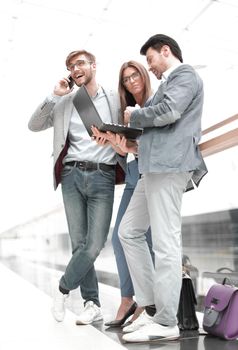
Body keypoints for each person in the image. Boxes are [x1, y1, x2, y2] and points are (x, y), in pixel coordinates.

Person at [116, 34, 208, 342]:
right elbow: (157, 129)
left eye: (151, 59)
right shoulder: (170, 82)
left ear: (165, 51)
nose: (150, 68)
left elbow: (169, 113)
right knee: (128, 231)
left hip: (170, 167)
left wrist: (134, 115)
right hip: (152, 168)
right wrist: (125, 139)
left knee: (166, 243)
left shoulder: (185, 75)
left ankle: (167, 321)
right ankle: (152, 306)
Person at [28, 49, 126, 324]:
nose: (75, 68)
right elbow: (33, 125)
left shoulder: (114, 98)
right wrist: (53, 95)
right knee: (78, 243)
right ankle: (91, 303)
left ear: (94, 65)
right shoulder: (65, 101)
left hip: (103, 175)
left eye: (80, 63)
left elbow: (130, 128)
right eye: (71, 66)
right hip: (71, 174)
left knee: (94, 244)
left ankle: (62, 289)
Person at [93, 61, 154, 328]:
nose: (131, 82)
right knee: (119, 239)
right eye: (126, 79)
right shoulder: (125, 112)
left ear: (143, 75)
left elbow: (154, 144)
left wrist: (130, 147)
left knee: (144, 240)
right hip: (132, 176)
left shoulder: (154, 103)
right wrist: (116, 145)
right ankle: (128, 297)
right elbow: (128, 150)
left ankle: (147, 303)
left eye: (134, 76)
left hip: (150, 174)